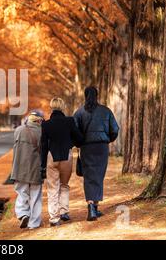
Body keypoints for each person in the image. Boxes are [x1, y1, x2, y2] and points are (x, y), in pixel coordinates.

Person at [73, 86, 119, 221]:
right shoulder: (106, 111)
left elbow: (74, 131)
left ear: (85, 95)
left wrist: (79, 143)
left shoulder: (79, 112)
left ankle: (91, 206)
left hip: (87, 148)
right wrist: (108, 140)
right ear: (97, 95)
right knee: (99, 175)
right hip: (101, 147)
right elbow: (115, 129)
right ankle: (95, 207)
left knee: (89, 176)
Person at [40, 98, 84, 226]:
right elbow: (79, 138)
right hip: (67, 157)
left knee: (53, 188)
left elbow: (43, 146)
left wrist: (42, 165)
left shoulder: (46, 124)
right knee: (64, 185)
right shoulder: (69, 121)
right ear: (63, 107)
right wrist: (71, 143)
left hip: (51, 158)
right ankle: (64, 212)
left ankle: (54, 218)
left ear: (51, 108)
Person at [10, 110, 44, 229]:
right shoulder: (41, 132)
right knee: (35, 196)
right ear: (39, 120)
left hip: (19, 167)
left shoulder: (18, 130)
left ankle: (23, 214)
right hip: (35, 168)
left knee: (21, 192)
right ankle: (34, 223)